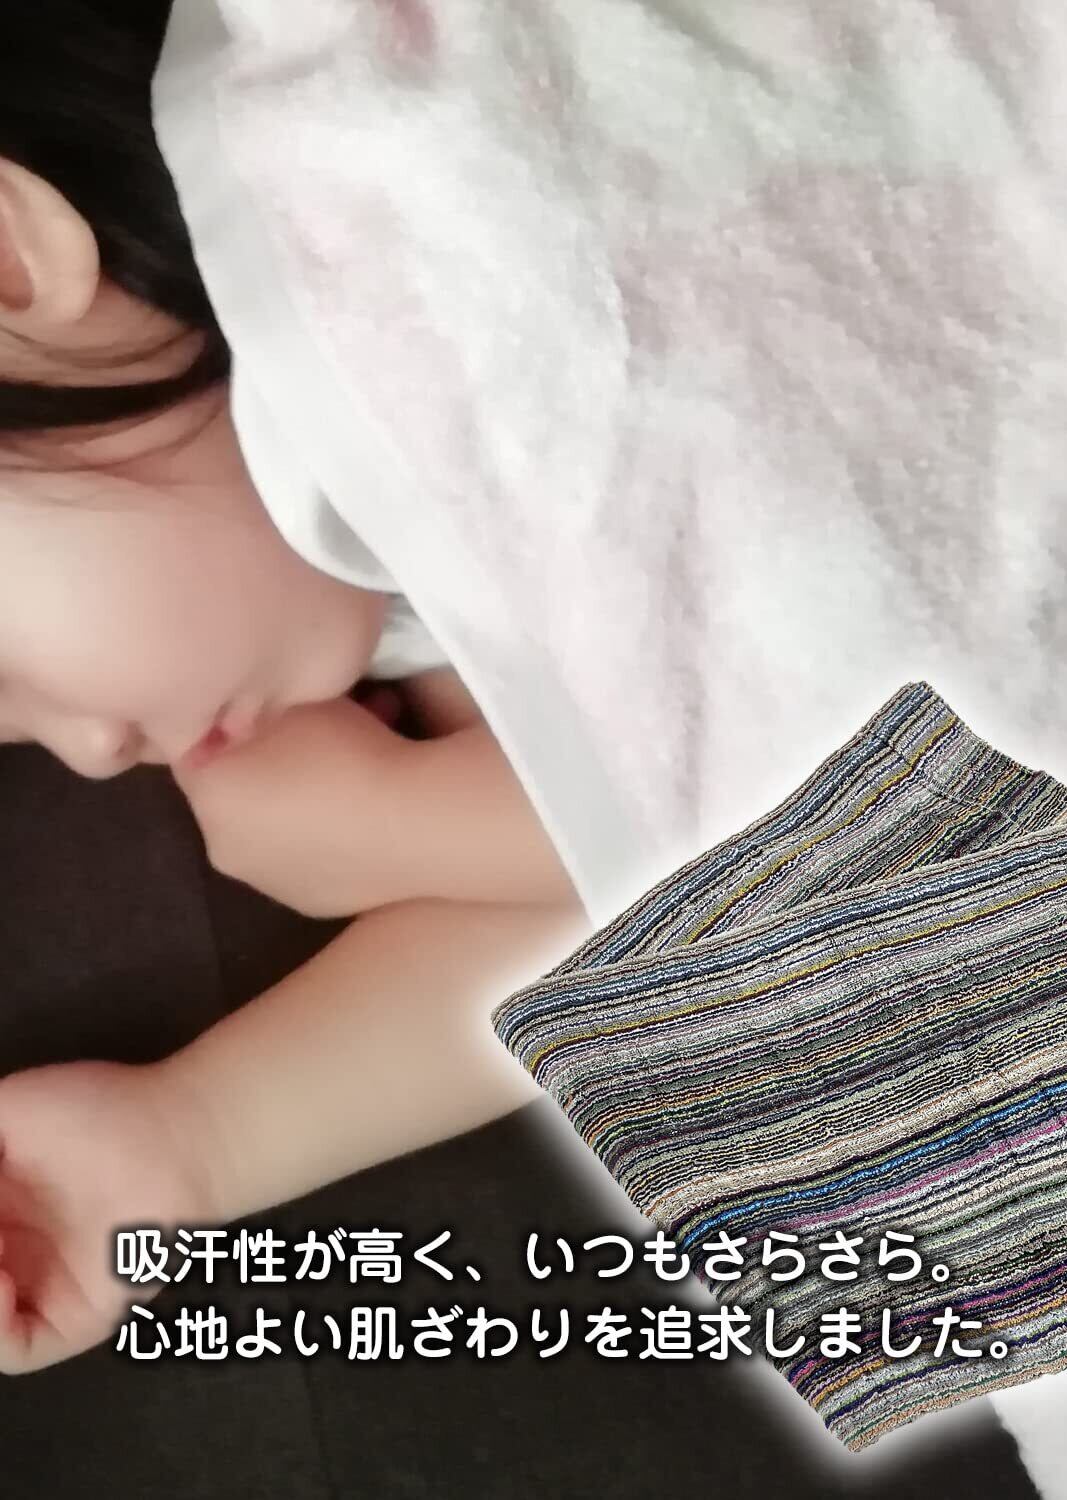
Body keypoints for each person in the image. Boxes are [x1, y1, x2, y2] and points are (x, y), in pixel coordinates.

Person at [0, 1, 589, 1375]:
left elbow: (937, 799)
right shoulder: (357, 596)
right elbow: (636, 897)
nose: (91, 757)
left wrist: (409, 822)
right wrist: (191, 1141)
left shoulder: (443, 242)